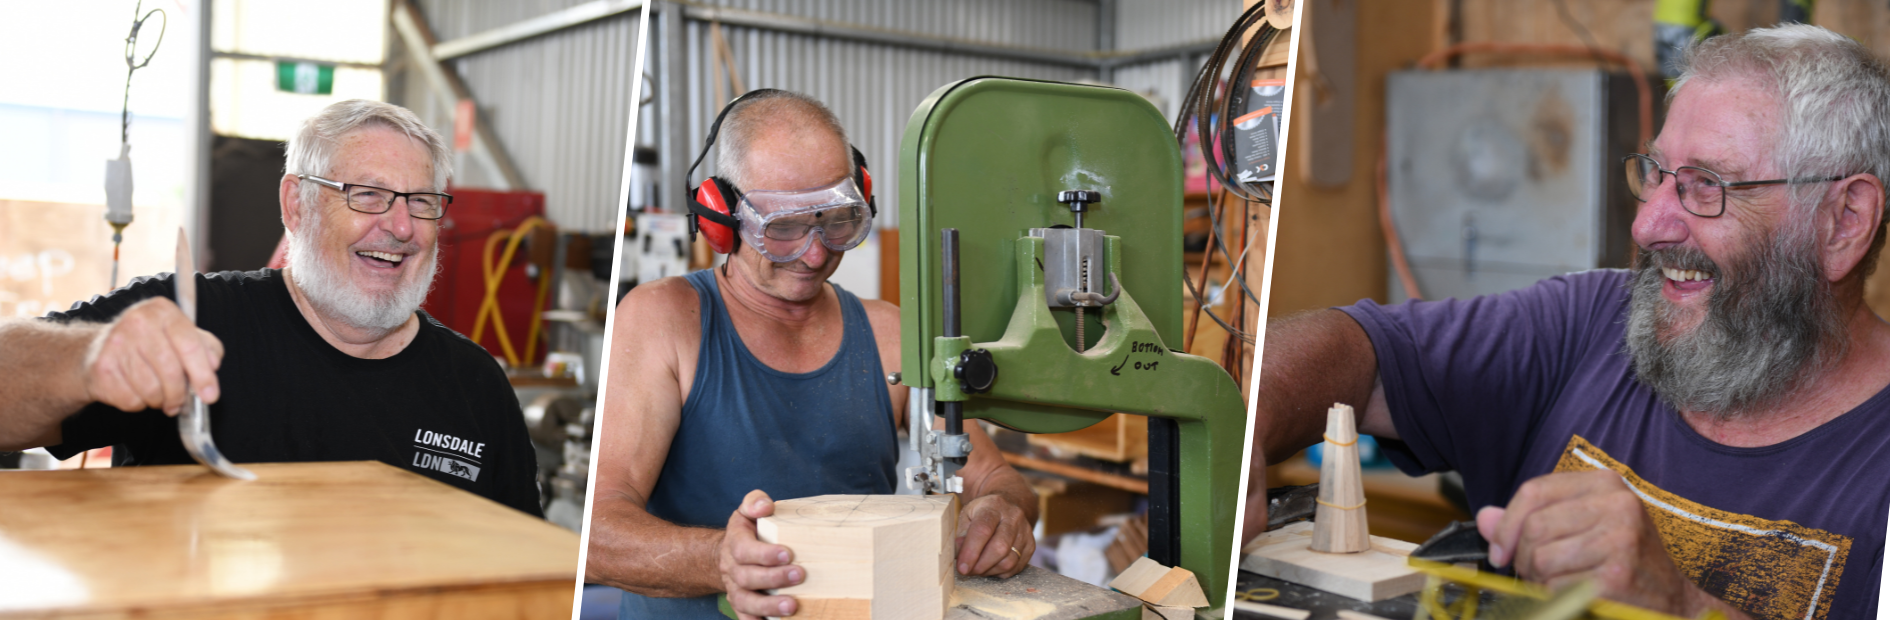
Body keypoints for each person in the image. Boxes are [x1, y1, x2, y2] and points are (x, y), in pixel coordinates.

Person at [1249, 24, 1890, 619]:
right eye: (1658, 174)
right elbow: (1364, 353)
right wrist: (1244, 426)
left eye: (1708, 186)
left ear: (1844, 221)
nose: (1647, 227)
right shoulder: (1588, 324)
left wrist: (1682, 606)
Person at [587, 90, 1039, 620]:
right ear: (722, 217)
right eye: (783, 229)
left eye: (837, 221)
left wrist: (1001, 512)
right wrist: (720, 560)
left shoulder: (888, 332)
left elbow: (996, 478)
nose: (817, 251)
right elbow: (595, 533)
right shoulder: (662, 322)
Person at [0, 99, 541, 516]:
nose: (401, 227)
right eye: (367, 195)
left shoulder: (475, 385)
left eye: (421, 201)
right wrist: (87, 358)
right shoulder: (187, 320)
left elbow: (523, 570)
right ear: (295, 204)